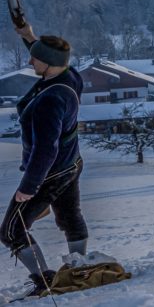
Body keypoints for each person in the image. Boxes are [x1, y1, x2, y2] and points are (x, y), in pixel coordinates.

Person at [0, 23, 87, 297]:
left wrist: (29, 186)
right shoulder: (69, 77)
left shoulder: (51, 99)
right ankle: (79, 266)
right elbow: (49, 56)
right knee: (70, 214)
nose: (29, 60)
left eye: (34, 57)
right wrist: (29, 37)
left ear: (49, 63)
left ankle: (44, 280)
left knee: (12, 229)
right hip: (70, 162)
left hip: (49, 171)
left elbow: (44, 149)